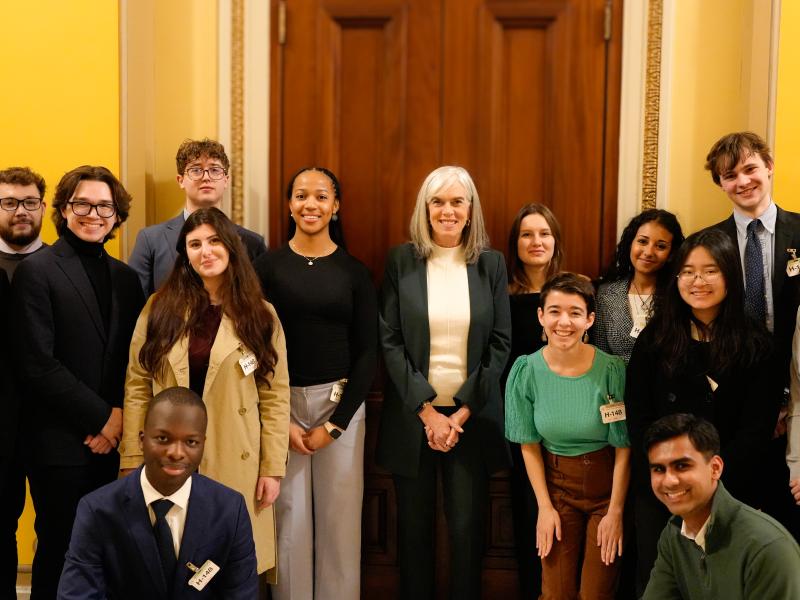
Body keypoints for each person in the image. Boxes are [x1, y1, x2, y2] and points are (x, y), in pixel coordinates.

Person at [120, 207, 290, 585]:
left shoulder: (261, 315)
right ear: (185, 254)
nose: (205, 251)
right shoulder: (158, 308)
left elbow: (275, 396)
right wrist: (131, 457)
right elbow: (136, 384)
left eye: (214, 241)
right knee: (169, 559)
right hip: (168, 450)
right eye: (194, 244)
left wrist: (272, 467)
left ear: (231, 248)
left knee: (227, 564)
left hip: (235, 451)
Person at [377, 166, 510, 600]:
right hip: (414, 415)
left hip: (471, 419)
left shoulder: (490, 264)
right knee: (412, 532)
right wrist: (428, 412)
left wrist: (461, 413)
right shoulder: (402, 260)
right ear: (425, 209)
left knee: (467, 531)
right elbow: (390, 340)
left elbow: (500, 343)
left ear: (470, 210)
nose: (447, 210)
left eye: (457, 201)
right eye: (438, 202)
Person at [12, 166, 145, 598]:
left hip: (118, 441)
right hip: (59, 442)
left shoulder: (128, 279)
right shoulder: (38, 270)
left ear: (117, 215)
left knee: (113, 551)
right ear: (64, 209)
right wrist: (101, 418)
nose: (93, 213)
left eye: (104, 205)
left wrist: (118, 422)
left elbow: (135, 360)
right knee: (61, 549)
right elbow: (37, 363)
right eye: (82, 204)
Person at [626, 228, 781, 595]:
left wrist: (710, 484)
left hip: (731, 489)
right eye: (688, 271)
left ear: (730, 274)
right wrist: (669, 474)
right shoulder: (655, 340)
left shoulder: (756, 345)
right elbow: (639, 417)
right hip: (662, 491)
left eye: (710, 270)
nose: (698, 281)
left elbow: (755, 430)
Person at [254, 167, 377, 600]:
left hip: (340, 408)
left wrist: (336, 425)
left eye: (321, 197)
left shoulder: (354, 272)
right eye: (302, 196)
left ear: (335, 206)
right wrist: (280, 420)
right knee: (289, 522)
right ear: (289, 204)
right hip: (279, 408)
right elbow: (252, 344)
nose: (311, 205)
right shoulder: (266, 266)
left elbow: (368, 352)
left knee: (340, 524)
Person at [57, 387, 258, 599]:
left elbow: (241, 594)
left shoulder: (229, 510)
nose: (176, 453)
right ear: (142, 440)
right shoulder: (97, 511)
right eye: (163, 439)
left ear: (203, 445)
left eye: (191, 442)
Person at [505, 272, 630, 600]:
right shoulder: (525, 371)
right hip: (557, 491)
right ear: (541, 316)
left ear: (590, 320)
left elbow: (623, 446)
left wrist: (615, 511)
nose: (564, 322)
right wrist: (544, 508)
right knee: (556, 591)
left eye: (575, 312)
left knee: (596, 593)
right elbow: (528, 444)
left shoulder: (613, 370)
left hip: (607, 492)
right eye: (555, 311)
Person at [705, 131, 800, 534]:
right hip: (737, 409)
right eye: (730, 175)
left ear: (769, 166)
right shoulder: (707, 244)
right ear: (721, 184)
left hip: (798, 399)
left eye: (750, 169)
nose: (742, 181)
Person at [643, 413, 800, 600]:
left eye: (682, 466)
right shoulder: (674, 534)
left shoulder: (767, 547)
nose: (669, 481)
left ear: (715, 468)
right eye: (659, 469)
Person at [503, 202, 563, 597]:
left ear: (555, 241)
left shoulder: (575, 288)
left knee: (564, 510)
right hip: (517, 415)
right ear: (515, 243)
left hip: (565, 415)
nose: (536, 242)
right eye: (527, 234)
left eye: (543, 233)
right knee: (528, 510)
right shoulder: (500, 292)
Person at [128, 138, 266, 297]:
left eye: (215, 170)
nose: (206, 177)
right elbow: (135, 303)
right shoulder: (150, 239)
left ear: (226, 180)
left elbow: (257, 305)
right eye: (196, 170)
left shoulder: (253, 243)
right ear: (180, 180)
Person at [0, 166, 48, 597]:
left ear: (44, 208)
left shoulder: (62, 265)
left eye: (29, 202)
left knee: (56, 529)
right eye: (9, 202)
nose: (20, 211)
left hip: (55, 423)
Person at [594, 209, 684, 364]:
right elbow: (599, 355)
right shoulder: (605, 294)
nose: (648, 252)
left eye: (660, 246)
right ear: (630, 243)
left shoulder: (679, 294)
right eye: (642, 241)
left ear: (671, 254)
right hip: (617, 386)